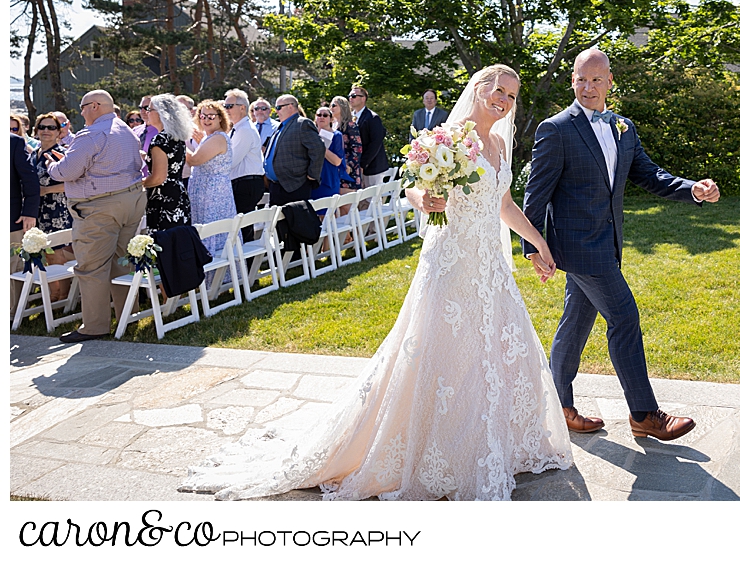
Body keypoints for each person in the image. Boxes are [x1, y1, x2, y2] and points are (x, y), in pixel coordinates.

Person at [181, 65, 571, 500]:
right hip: (451, 261)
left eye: (512, 96)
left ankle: (494, 443)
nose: (503, 100)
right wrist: (426, 198)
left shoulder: (498, 143)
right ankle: (436, 451)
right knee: (440, 351)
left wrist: (536, 241)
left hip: (488, 267)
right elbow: (411, 187)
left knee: (496, 351)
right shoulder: (447, 136)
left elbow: (502, 201)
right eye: (498, 90)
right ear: (478, 89)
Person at [522, 47, 721, 441]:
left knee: (574, 325)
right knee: (625, 318)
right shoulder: (556, 128)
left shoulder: (622, 127)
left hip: (607, 244)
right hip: (579, 249)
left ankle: (558, 406)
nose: (588, 86)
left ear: (610, 81)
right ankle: (644, 414)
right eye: (581, 79)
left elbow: (649, 174)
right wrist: (533, 248)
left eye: (596, 79)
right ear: (572, 81)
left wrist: (692, 190)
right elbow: (536, 195)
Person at [46, 90, 146, 342]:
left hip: (100, 207)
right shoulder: (125, 129)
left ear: (94, 106)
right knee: (122, 260)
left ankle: (95, 326)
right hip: (130, 200)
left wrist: (52, 165)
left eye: (82, 107)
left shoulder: (91, 134)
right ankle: (128, 315)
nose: (80, 113)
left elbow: (65, 172)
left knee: (91, 267)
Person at [29, 114, 76, 300]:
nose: (46, 131)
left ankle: (62, 297)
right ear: (36, 130)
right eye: (42, 127)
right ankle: (52, 295)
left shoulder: (62, 153)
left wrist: (46, 190)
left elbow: (72, 183)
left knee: (57, 255)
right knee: (44, 255)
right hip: (37, 211)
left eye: (51, 127)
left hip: (56, 210)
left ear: (58, 132)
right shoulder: (32, 154)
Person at [186, 100, 237, 258]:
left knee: (211, 230)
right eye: (203, 116)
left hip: (213, 193)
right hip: (204, 191)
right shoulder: (209, 137)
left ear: (220, 118)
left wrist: (179, 143)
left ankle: (215, 274)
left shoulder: (218, 138)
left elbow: (194, 160)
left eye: (211, 116)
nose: (206, 120)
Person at [142, 94, 194, 232]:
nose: (146, 112)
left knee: (164, 245)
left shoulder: (159, 140)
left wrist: (138, 183)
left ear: (161, 113)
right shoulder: (176, 137)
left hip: (163, 200)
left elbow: (159, 178)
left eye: (149, 109)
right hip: (179, 195)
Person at [261, 94, 325, 206]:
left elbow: (318, 149)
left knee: (295, 223)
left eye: (279, 107)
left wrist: (312, 174)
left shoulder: (302, 123)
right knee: (278, 223)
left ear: (290, 106)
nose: (276, 111)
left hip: (294, 186)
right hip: (276, 187)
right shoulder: (281, 126)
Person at [224, 89, 265, 242]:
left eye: (229, 106)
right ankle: (244, 262)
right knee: (242, 226)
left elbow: (231, 161)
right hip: (243, 182)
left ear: (242, 107)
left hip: (246, 183)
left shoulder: (244, 130)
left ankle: (247, 264)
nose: (226, 109)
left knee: (244, 227)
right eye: (225, 106)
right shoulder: (237, 129)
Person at [11, 131, 40, 312]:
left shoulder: (13, 142)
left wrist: (29, 212)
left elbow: (30, 179)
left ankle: (13, 311)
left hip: (10, 216)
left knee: (10, 265)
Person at [348, 85, 390, 187]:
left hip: (373, 167)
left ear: (363, 98)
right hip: (356, 167)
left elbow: (375, 143)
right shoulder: (350, 117)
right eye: (349, 96)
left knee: (372, 200)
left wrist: (363, 164)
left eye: (353, 96)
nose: (350, 98)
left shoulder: (372, 117)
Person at [312, 104, 349, 202]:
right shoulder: (311, 134)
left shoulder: (336, 135)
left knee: (326, 213)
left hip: (328, 178)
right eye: (319, 115)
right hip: (312, 178)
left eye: (325, 115)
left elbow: (337, 161)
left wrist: (322, 147)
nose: (321, 117)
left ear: (331, 119)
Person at [331, 95, 361, 192]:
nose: (331, 108)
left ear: (342, 107)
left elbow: (357, 149)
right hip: (335, 168)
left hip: (348, 170)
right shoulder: (332, 126)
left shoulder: (350, 125)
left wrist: (349, 166)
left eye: (334, 105)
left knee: (346, 205)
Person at [133, 95, 159, 178]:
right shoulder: (134, 131)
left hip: (152, 179)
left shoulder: (161, 132)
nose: (143, 111)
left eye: (147, 108)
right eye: (141, 108)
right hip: (134, 179)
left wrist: (146, 157)